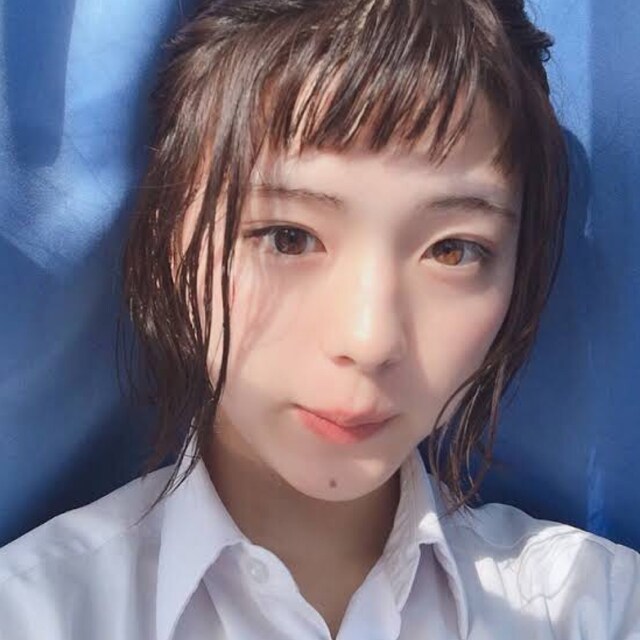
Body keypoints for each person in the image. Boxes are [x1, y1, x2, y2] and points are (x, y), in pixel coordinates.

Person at [1, 0, 638, 638]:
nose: (369, 339)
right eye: (288, 238)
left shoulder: (592, 609)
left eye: (453, 250)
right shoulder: (37, 614)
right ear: (169, 236)